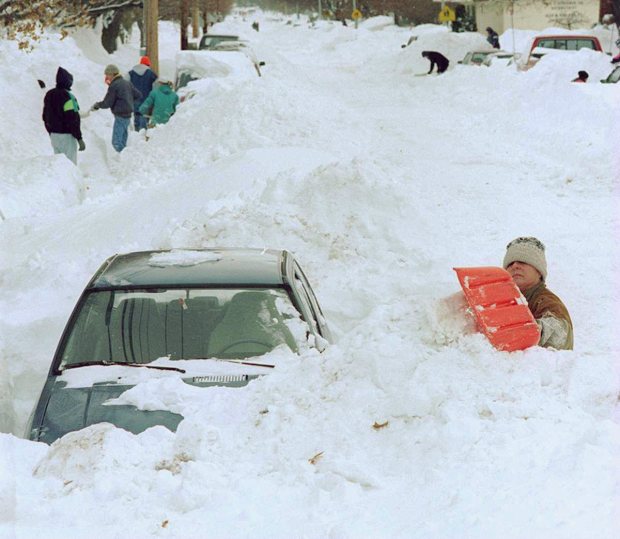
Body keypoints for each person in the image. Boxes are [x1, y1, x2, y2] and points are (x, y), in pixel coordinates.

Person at [503, 236, 573, 350]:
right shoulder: (501, 300)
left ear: (539, 271)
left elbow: (560, 332)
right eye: (510, 264)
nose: (515, 266)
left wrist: (524, 331)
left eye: (522, 261)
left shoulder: (546, 300)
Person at [91, 64, 141, 153]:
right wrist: (129, 102)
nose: (106, 77)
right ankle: (125, 158)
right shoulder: (127, 83)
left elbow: (107, 102)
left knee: (116, 142)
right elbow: (138, 95)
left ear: (112, 74)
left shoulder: (114, 85)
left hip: (120, 115)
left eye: (107, 75)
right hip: (128, 116)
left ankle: (123, 159)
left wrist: (97, 105)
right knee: (122, 141)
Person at [42, 66, 85, 165]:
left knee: (59, 166)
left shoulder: (49, 94)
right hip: (67, 136)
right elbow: (73, 119)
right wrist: (79, 138)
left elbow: (45, 116)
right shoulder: (69, 96)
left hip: (54, 136)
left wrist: (51, 132)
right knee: (70, 166)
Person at [128, 56, 158, 131]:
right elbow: (156, 86)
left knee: (137, 114)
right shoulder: (151, 74)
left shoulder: (131, 73)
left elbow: (126, 84)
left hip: (135, 98)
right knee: (144, 115)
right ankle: (143, 131)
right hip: (146, 98)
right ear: (148, 64)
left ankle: (137, 130)